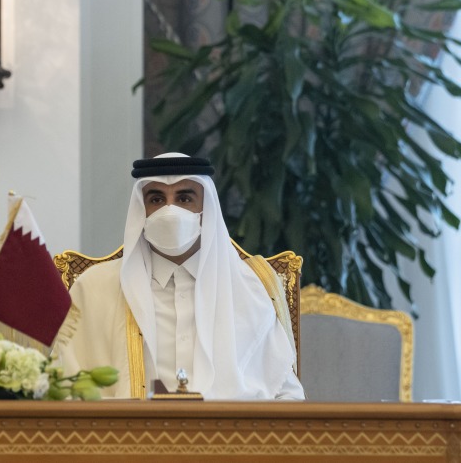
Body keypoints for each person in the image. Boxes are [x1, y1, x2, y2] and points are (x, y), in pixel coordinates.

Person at [54, 152, 304, 400]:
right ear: (142, 211)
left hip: (229, 436)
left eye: (184, 198)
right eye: (156, 199)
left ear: (206, 209)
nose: (170, 211)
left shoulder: (251, 287)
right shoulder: (96, 288)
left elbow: (288, 396)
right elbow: (64, 390)